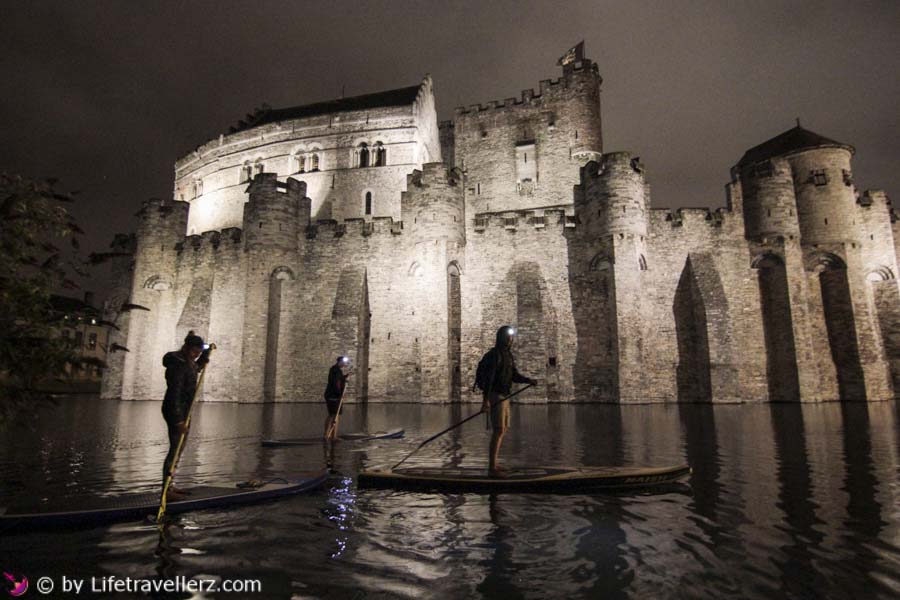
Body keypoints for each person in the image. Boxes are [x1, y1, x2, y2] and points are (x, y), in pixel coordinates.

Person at [480, 326, 538, 477]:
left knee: (503, 429)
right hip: (496, 395)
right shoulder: (495, 355)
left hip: (504, 396)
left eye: (511, 337)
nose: (511, 339)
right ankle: (492, 468)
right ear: (502, 338)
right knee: (498, 430)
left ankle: (495, 464)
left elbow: (513, 375)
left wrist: (528, 380)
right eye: (508, 337)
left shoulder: (508, 355)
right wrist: (485, 401)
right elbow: (489, 379)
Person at [161, 331, 210, 500]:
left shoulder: (187, 362)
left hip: (183, 410)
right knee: (175, 450)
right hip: (177, 411)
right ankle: (166, 490)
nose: (197, 354)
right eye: (195, 351)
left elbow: (196, 368)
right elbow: (175, 393)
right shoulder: (179, 365)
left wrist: (206, 355)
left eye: (199, 352)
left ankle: (170, 485)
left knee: (178, 449)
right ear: (187, 348)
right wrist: (179, 420)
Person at [324, 356, 353, 440]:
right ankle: (333, 436)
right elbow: (336, 383)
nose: (345, 365)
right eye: (344, 363)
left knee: (332, 415)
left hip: (331, 395)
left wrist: (345, 377)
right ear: (339, 361)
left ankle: (327, 435)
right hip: (334, 396)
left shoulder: (335, 370)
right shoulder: (336, 370)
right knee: (335, 416)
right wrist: (340, 394)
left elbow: (338, 380)